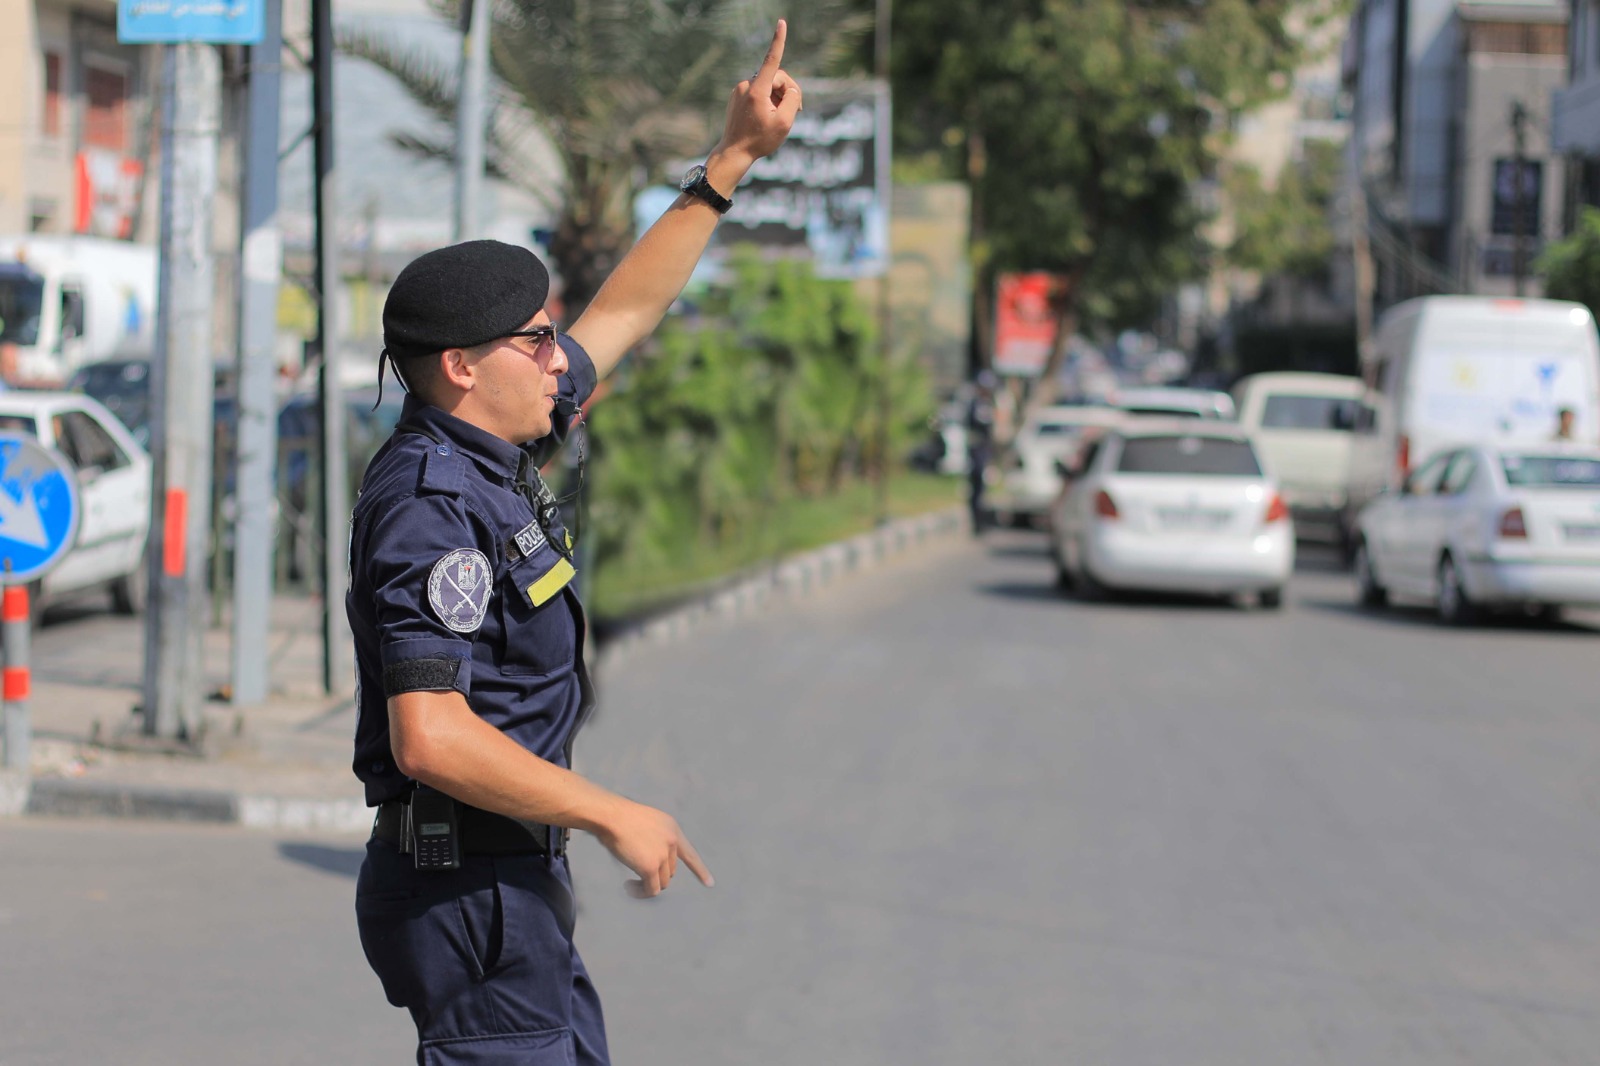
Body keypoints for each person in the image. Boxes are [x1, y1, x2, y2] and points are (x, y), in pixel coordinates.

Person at [346, 24, 801, 1065]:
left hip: (506, 880)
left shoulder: (493, 446)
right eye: (537, 340)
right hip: (469, 893)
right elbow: (430, 736)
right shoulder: (429, 504)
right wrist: (609, 812)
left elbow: (628, 309)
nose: (562, 358)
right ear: (461, 367)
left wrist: (731, 160)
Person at [965, 371, 997, 533]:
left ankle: (982, 521)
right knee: (976, 488)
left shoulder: (990, 404)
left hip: (985, 451)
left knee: (983, 490)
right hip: (976, 452)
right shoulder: (975, 405)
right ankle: (976, 522)